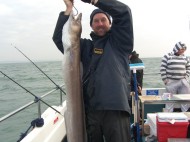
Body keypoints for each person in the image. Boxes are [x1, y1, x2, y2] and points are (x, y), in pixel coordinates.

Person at [53, 0, 133, 141]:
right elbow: (60, 39)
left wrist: (96, 1)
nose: (100, 23)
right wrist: (68, 9)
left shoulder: (120, 42)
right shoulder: (84, 47)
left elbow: (124, 12)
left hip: (115, 109)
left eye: (104, 20)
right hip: (90, 112)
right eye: (96, 21)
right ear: (91, 25)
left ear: (110, 23)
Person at [160, 41, 190, 112]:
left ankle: (186, 117)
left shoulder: (185, 57)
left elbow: (188, 67)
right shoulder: (167, 56)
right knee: (168, 101)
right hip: (171, 81)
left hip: (183, 81)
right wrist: (165, 80)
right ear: (177, 48)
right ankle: (168, 116)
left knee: (185, 100)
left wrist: (186, 77)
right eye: (181, 49)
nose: (183, 50)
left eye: (184, 49)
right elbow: (162, 68)